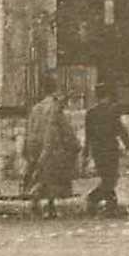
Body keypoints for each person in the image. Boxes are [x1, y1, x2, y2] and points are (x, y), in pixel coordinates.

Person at [25, 81, 79, 219]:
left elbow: (30, 129)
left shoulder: (36, 108)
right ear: (54, 90)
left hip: (37, 147)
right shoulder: (55, 108)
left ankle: (39, 202)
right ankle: (47, 205)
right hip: (53, 147)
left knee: (43, 176)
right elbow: (64, 127)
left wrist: (30, 149)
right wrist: (74, 143)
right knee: (52, 179)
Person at [81, 83, 129, 216]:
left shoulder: (91, 113)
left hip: (98, 150)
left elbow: (88, 135)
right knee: (111, 179)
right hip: (110, 149)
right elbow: (120, 129)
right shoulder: (113, 110)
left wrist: (86, 153)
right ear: (108, 96)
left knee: (107, 178)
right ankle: (94, 198)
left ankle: (111, 206)